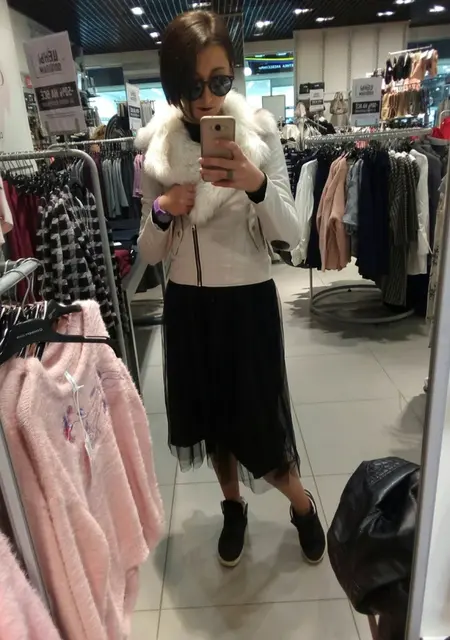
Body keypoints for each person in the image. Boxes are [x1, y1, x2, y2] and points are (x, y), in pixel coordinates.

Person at [136, 10, 326, 569]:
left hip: (247, 305)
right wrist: (162, 208)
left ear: (233, 76)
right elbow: (150, 254)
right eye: (193, 86)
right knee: (213, 425)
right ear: (174, 85)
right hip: (189, 307)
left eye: (218, 81)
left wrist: (256, 183)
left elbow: (292, 233)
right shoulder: (158, 151)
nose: (207, 99)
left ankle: (302, 505)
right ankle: (233, 507)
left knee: (259, 424)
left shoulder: (260, 136)